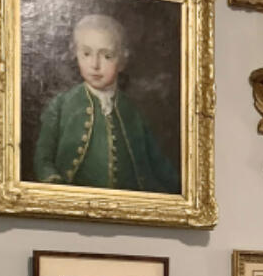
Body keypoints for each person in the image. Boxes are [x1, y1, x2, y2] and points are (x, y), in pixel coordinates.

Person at [32, 14, 181, 194]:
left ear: (122, 61)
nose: (94, 64)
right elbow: (43, 157)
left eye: (107, 56)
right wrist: (54, 183)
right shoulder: (62, 105)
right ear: (75, 54)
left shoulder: (132, 111)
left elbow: (158, 164)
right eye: (86, 54)